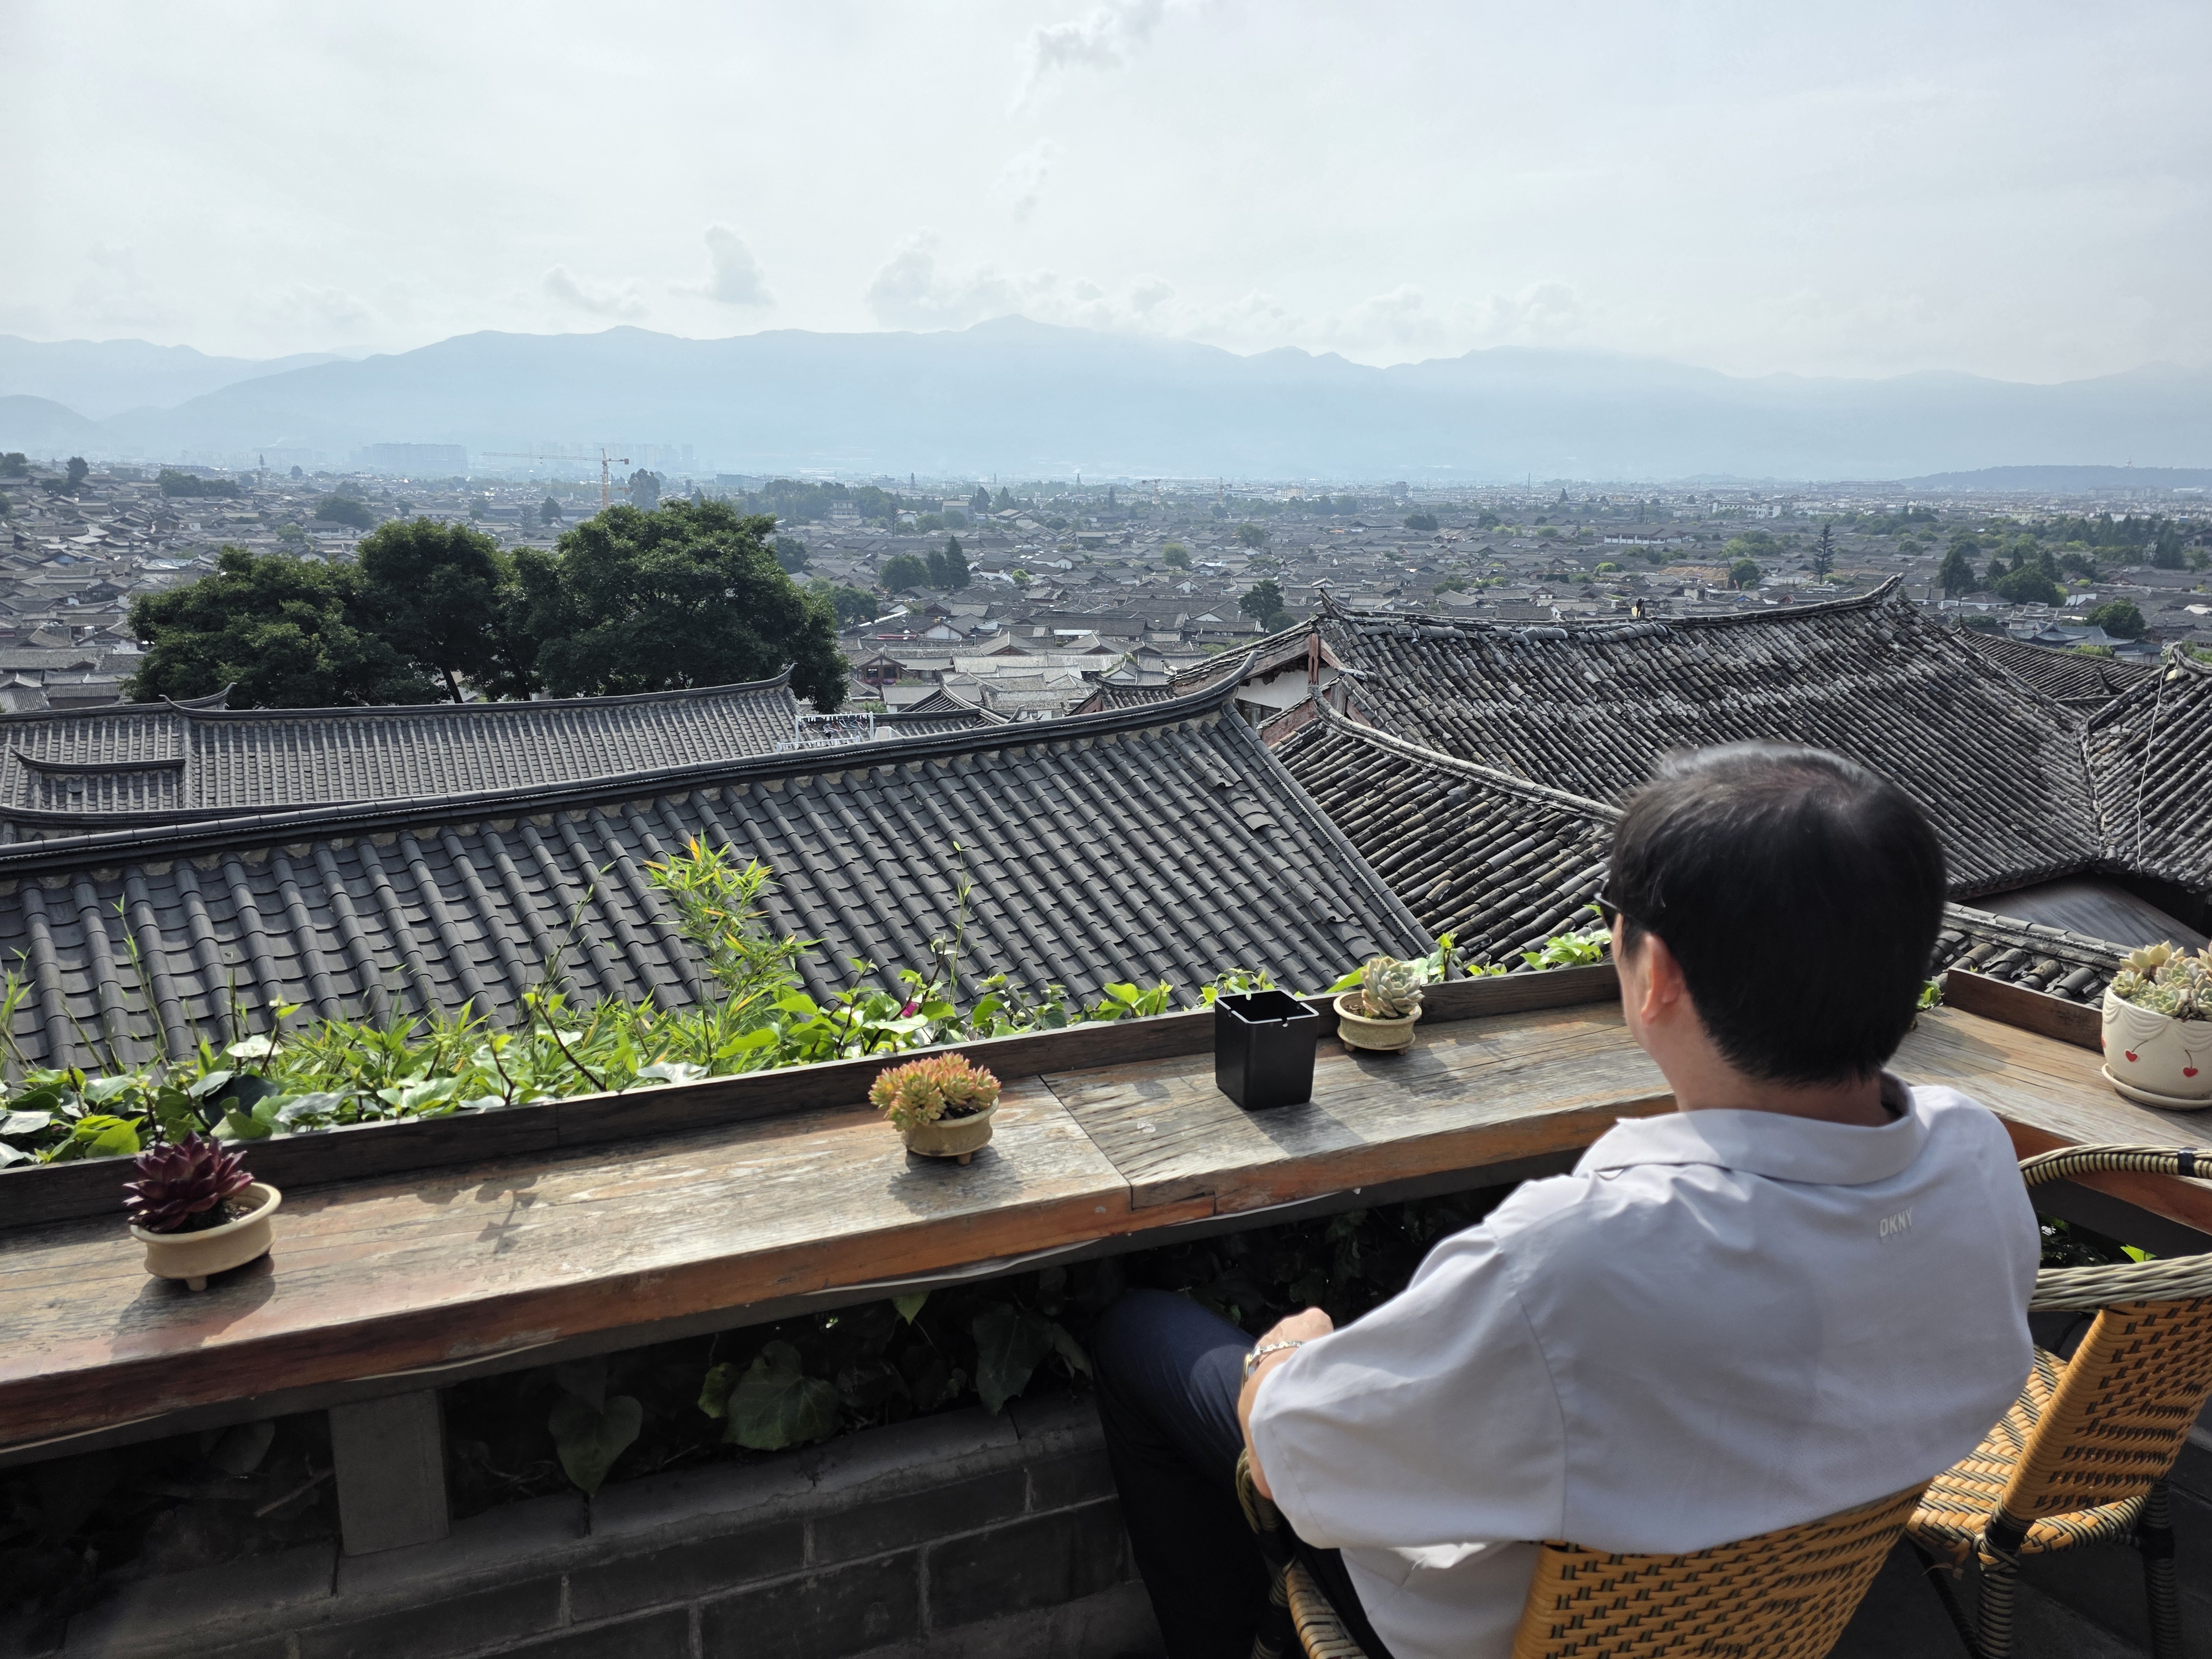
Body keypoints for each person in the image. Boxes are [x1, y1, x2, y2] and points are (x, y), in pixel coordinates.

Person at [1090, 743, 2040, 1659]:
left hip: (1490, 1632)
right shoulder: (1973, 1157)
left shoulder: (1580, 1259)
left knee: (1140, 1335)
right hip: (1779, 1613)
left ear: (1658, 976)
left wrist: (1284, 1353)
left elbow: (1294, 1457)